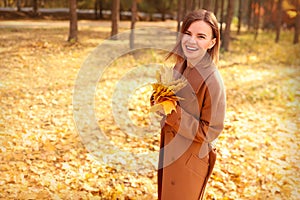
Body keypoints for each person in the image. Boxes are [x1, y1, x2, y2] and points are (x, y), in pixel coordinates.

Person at [154, 9, 226, 200]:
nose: (191, 41)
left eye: (201, 36)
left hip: (189, 162)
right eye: (188, 33)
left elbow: (210, 131)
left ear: (212, 43)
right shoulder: (180, 65)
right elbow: (168, 100)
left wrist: (173, 114)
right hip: (170, 153)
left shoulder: (213, 81)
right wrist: (158, 99)